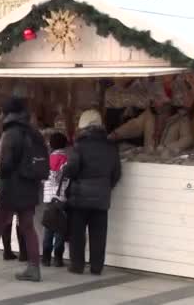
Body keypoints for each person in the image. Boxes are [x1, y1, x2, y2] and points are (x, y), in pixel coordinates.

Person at [0, 97, 43, 282]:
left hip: (12, 186)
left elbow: (5, 161)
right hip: (31, 185)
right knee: (28, 227)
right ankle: (34, 268)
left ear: (7, 114)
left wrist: (3, 174)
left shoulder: (11, 133)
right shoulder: (34, 133)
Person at [64, 110, 121, 275]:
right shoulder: (111, 146)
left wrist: (67, 170)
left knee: (77, 234)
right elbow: (116, 173)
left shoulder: (80, 145)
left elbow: (72, 169)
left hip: (80, 197)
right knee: (99, 235)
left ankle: (77, 266)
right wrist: (106, 186)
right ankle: (97, 267)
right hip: (102, 197)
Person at [108, 98, 194, 156]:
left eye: (157, 99)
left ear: (168, 100)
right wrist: (117, 134)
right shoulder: (148, 114)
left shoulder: (181, 117)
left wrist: (167, 148)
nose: (153, 103)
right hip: (149, 159)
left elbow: (187, 139)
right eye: (153, 100)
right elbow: (135, 126)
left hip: (170, 162)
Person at [42, 132, 68, 268]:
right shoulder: (66, 159)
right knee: (60, 229)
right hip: (61, 198)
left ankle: (46, 257)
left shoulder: (47, 159)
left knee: (48, 227)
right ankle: (58, 258)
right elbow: (66, 178)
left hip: (48, 198)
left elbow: (43, 178)